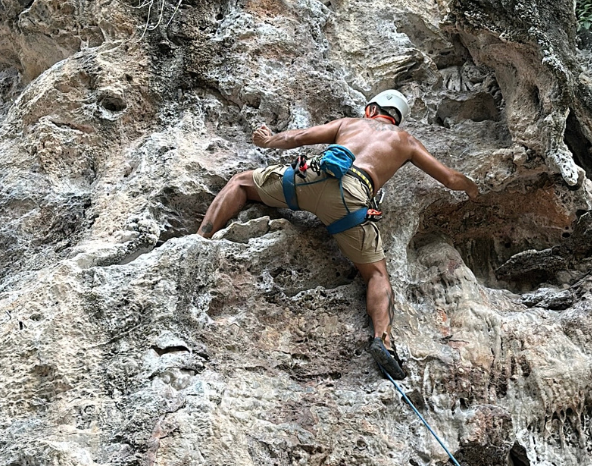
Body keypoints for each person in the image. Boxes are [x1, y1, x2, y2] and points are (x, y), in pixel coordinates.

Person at [197, 90, 480, 380]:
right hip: (351, 201)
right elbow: (450, 179)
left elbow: (300, 136)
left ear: (371, 110)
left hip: (312, 178)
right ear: (397, 120)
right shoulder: (405, 141)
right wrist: (473, 188)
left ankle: (199, 240)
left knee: (241, 182)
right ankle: (383, 341)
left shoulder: (351, 123)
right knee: (376, 275)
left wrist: (268, 140)